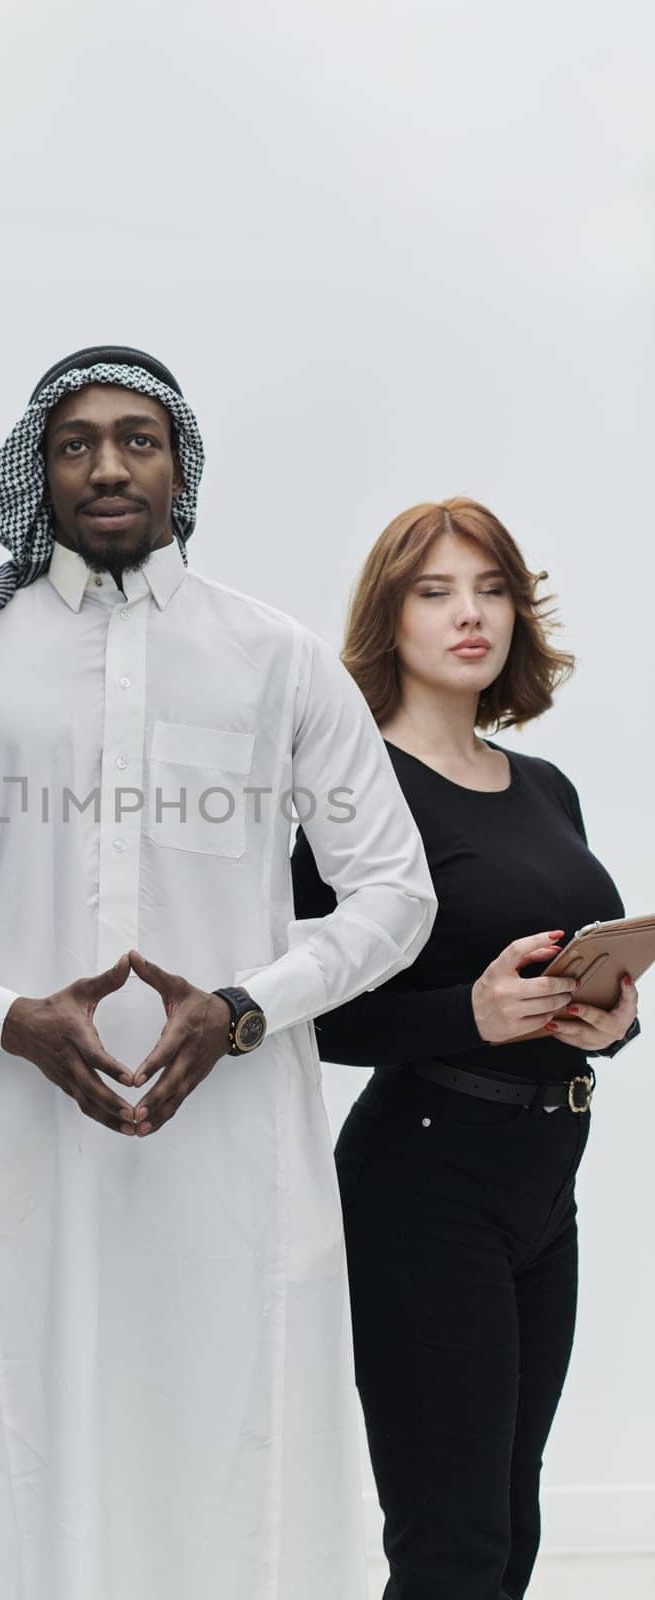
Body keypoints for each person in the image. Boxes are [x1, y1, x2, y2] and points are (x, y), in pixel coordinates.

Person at [0, 346, 437, 1600]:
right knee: (18, 1455)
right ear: (37, 473)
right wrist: (7, 1019)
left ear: (180, 467)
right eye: (75, 442)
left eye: (136, 440)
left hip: (234, 1136)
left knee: (236, 1441)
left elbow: (395, 893)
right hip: (18, 1136)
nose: (106, 465)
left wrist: (246, 1006)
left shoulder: (274, 658)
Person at [291, 497, 640, 1600]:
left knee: (510, 1518)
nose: (468, 614)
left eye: (489, 588)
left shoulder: (543, 787)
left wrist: (614, 1022)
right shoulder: (352, 791)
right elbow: (300, 1008)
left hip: (544, 1180)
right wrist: (463, 1016)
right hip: (421, 1176)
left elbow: (573, 976)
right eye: (433, 591)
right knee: (452, 1540)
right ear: (386, 617)